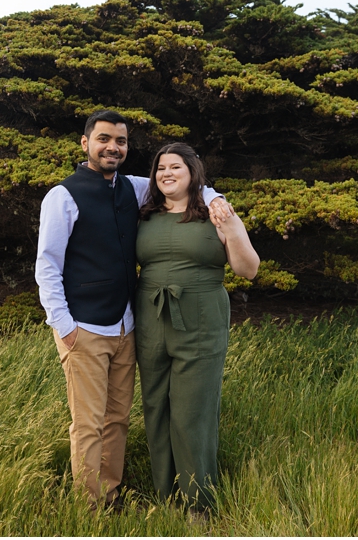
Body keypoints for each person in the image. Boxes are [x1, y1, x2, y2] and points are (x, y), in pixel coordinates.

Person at [35, 111, 233, 507]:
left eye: (121, 141)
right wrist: (63, 325)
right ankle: (89, 506)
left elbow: (184, 182)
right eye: (104, 139)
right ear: (85, 142)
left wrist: (216, 200)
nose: (113, 147)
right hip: (84, 327)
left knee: (117, 419)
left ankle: (111, 493)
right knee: (88, 424)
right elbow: (47, 264)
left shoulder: (134, 187)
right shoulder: (63, 195)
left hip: (126, 327)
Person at [135, 142, 259, 510]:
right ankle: (165, 494)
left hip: (201, 320)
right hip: (150, 319)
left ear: (193, 174)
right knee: (156, 407)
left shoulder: (215, 213)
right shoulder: (145, 214)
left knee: (192, 412)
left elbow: (248, 270)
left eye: (176, 167)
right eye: (160, 168)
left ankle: (198, 502)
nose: (167, 173)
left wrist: (233, 229)